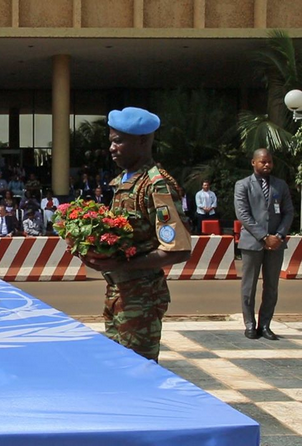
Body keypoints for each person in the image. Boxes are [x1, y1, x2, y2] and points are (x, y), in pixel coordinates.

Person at [79, 107, 191, 362]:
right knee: (118, 371)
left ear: (142, 141)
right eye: (111, 141)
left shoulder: (156, 185)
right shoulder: (124, 182)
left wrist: (122, 263)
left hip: (141, 299)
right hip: (119, 293)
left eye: (118, 141)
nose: (111, 148)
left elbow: (179, 249)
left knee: (138, 373)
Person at [234, 148, 293, 341]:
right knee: (248, 286)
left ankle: (265, 324)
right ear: (253, 163)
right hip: (252, 243)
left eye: (269, 162)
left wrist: (278, 235)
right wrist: (263, 236)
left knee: (272, 287)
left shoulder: (280, 185)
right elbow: (243, 214)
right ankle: (250, 324)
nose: (267, 165)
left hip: (276, 243)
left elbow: (288, 212)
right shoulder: (242, 185)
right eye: (263, 162)